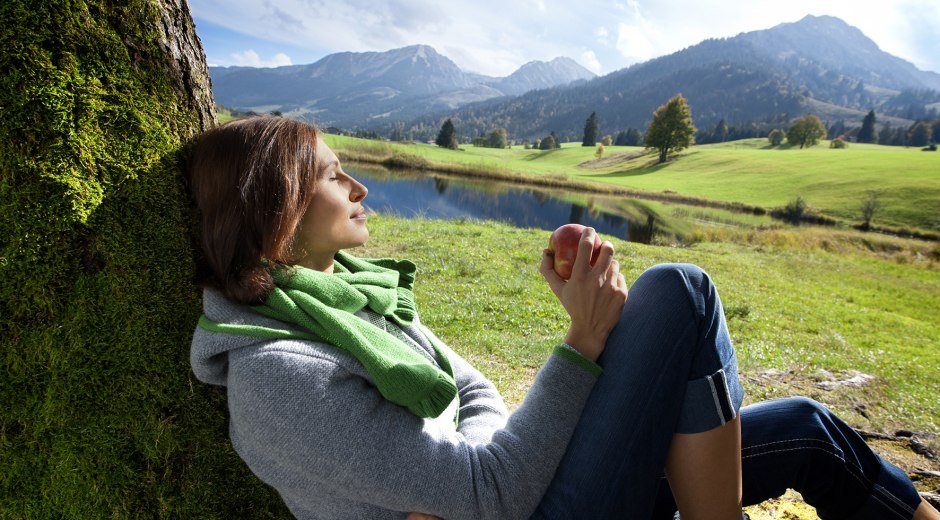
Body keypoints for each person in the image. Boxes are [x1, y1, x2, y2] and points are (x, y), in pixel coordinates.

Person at [187, 116, 938, 520]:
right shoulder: (280, 378)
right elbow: (492, 495)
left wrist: (466, 475)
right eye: (329, 173)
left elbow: (478, 399)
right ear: (275, 208)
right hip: (520, 509)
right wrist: (582, 341)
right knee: (681, 291)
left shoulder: (350, 298)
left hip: (519, 493)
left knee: (805, 426)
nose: (357, 185)